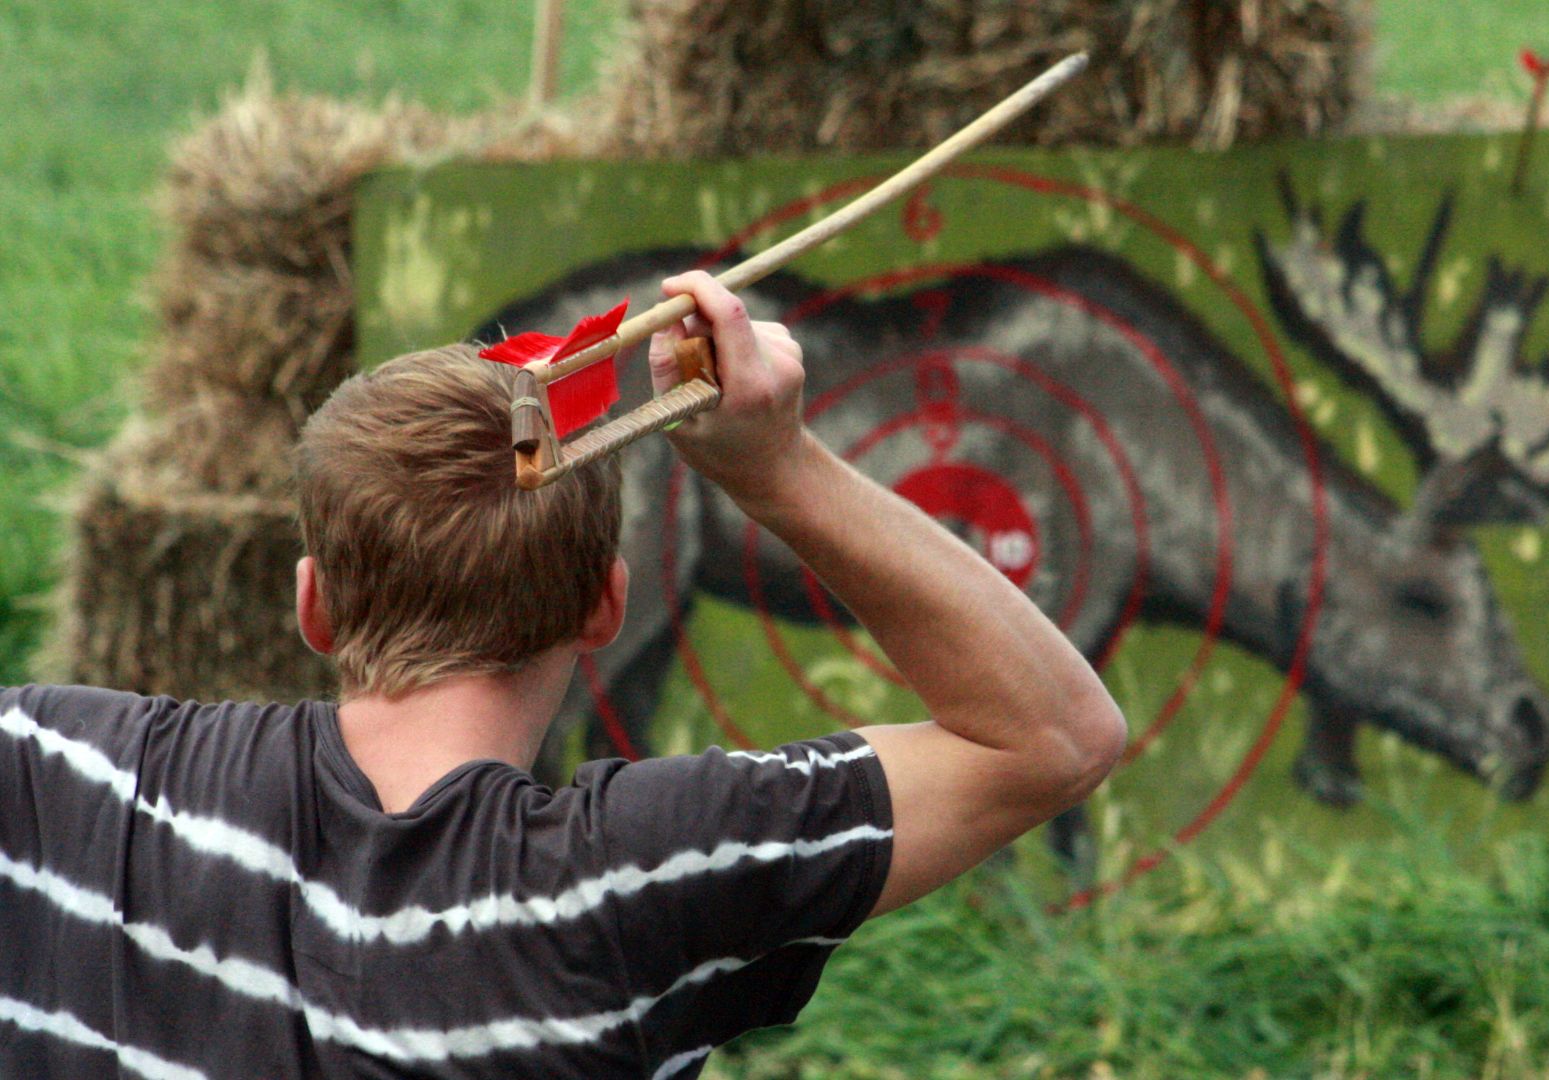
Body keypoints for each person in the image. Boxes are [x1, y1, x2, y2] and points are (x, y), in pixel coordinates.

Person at [0, 272, 1127, 1078]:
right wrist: (776, 464)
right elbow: (1051, 736)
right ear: (607, 605)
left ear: (316, 606)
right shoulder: (634, 882)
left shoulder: (61, 776)